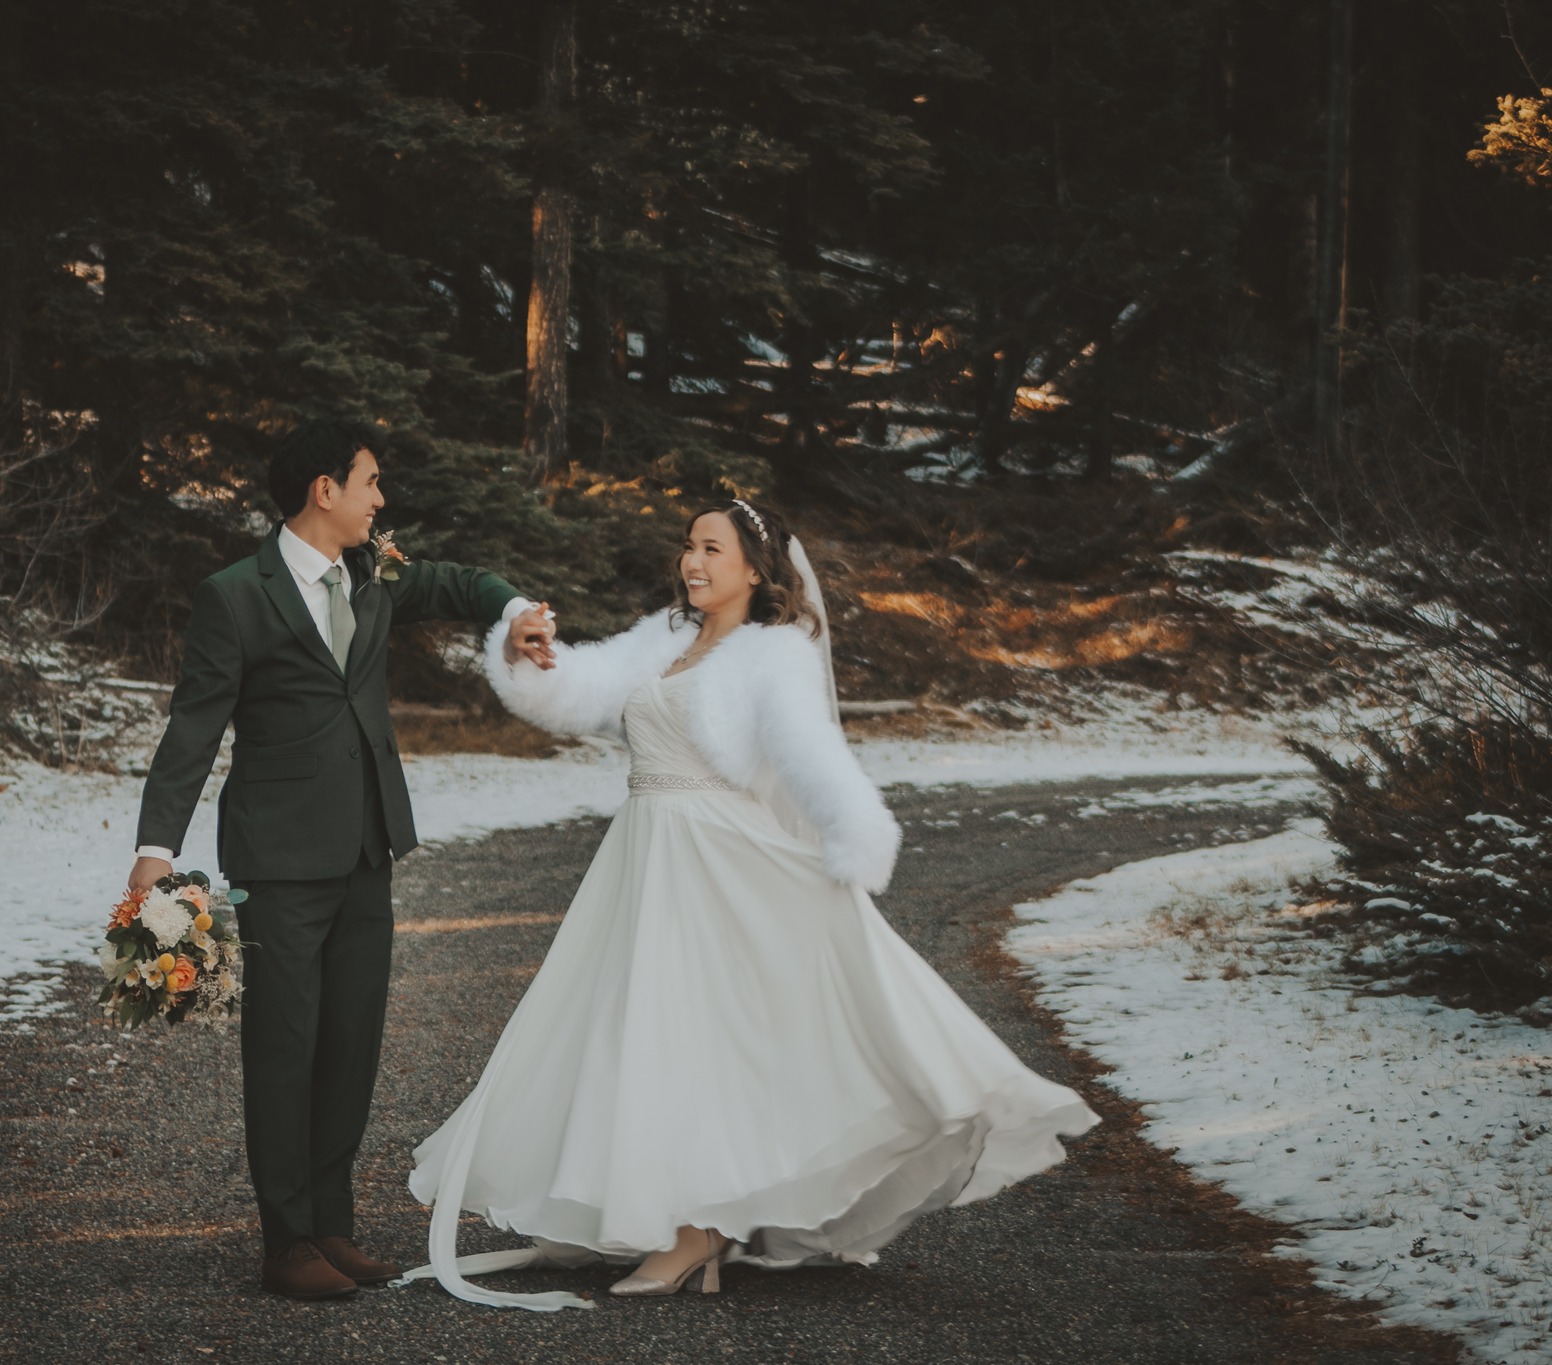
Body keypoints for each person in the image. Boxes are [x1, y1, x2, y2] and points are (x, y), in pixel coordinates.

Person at [397, 499, 1099, 1310]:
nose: (692, 561)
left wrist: (854, 835)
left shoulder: (774, 655)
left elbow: (812, 755)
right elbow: (577, 692)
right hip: (644, 850)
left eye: (711, 548)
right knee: (645, 1033)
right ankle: (683, 1217)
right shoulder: (662, 639)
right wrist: (530, 654)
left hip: (716, 854)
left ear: (757, 570)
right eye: (688, 546)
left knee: (708, 1034)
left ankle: (700, 1230)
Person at [128, 419, 556, 1301]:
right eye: (369, 481)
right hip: (279, 858)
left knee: (351, 1043)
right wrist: (154, 850)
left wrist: (515, 614)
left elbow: (462, 581)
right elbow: (193, 727)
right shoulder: (235, 594)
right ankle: (285, 1240)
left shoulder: (375, 570)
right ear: (324, 490)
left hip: (367, 846)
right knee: (284, 1045)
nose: (380, 498)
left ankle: (331, 1224)